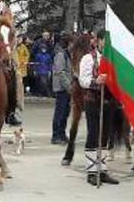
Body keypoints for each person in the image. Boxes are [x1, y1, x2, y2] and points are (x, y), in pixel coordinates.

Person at [78, 30, 120, 186]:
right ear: (98, 41)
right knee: (94, 133)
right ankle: (91, 171)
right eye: (104, 41)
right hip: (93, 101)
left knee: (105, 135)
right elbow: (83, 80)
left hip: (109, 101)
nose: (107, 45)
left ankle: (102, 170)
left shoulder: (114, 60)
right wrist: (97, 81)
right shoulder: (89, 59)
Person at [51, 34, 73, 145]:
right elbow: (61, 72)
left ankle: (62, 133)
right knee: (60, 112)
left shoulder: (67, 55)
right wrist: (69, 86)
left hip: (67, 88)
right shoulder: (61, 55)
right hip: (61, 88)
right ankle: (56, 135)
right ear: (68, 43)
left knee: (65, 112)